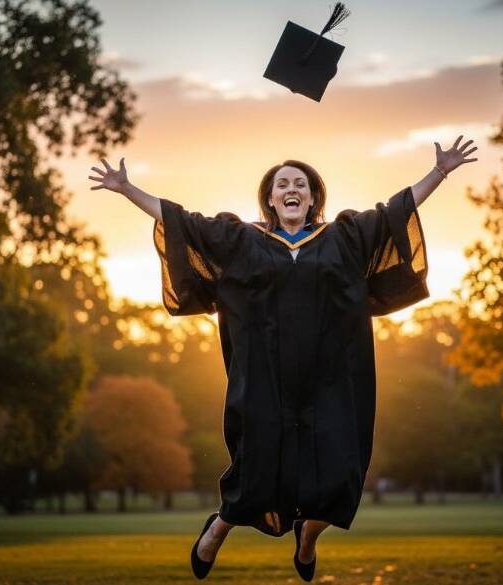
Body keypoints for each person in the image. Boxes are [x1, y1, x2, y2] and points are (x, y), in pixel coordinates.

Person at [88, 136, 477, 580]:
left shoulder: (343, 237)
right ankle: (218, 528)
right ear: (271, 199)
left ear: (312, 197)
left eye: (300, 184)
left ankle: (307, 540)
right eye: (281, 184)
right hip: (264, 381)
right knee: (256, 474)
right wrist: (127, 188)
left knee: (339, 478)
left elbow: (394, 213)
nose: (291, 189)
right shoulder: (241, 240)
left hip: (331, 382)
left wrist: (441, 171)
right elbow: (182, 221)